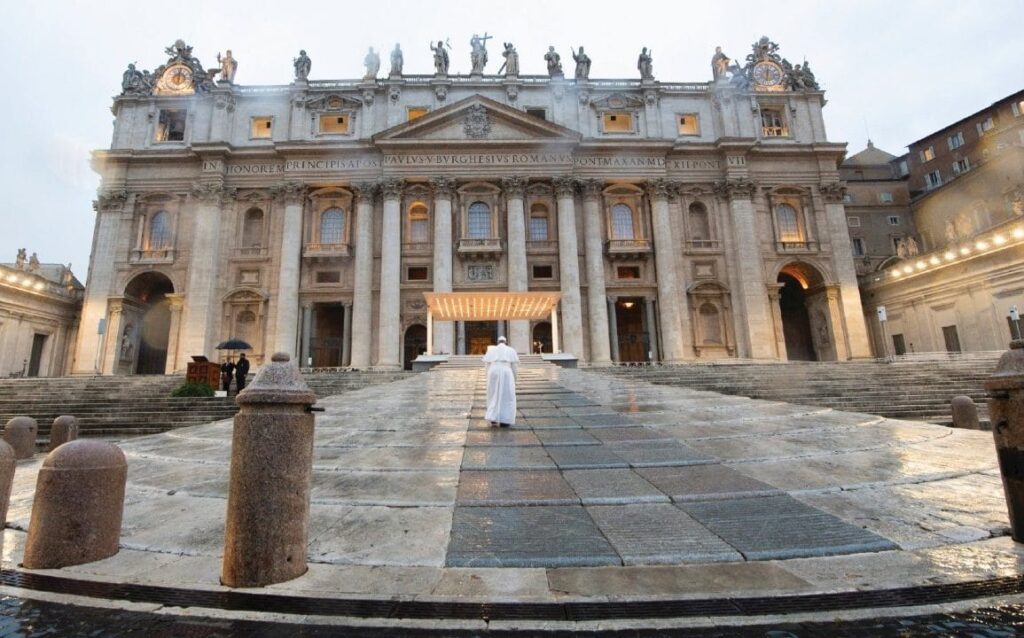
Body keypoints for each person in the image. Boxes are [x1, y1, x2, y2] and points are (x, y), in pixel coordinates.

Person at [482, 336, 519, 427]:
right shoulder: (511, 350)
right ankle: (505, 420)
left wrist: (487, 376)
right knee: (507, 395)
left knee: (493, 394)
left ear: (497, 342)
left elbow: (487, 365)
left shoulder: (491, 350)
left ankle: (493, 418)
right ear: (506, 342)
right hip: (506, 371)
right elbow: (514, 366)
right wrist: (515, 378)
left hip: (493, 370)